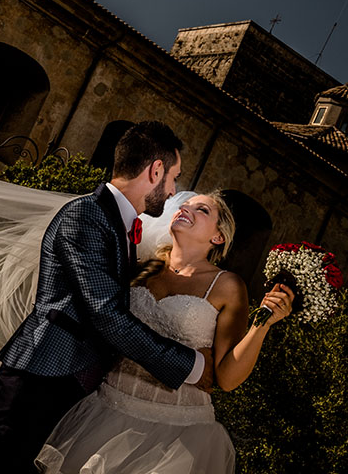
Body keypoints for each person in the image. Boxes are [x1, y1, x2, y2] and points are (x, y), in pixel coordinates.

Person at [0, 121, 216, 474]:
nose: (173, 191)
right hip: (41, 372)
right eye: (173, 177)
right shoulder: (87, 216)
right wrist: (189, 364)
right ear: (155, 170)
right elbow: (106, 313)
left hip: (66, 379)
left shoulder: (121, 225)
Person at [36, 191, 294, 473]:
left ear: (218, 237)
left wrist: (262, 325)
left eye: (202, 210)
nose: (187, 209)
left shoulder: (228, 286)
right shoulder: (141, 266)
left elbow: (228, 378)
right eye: (185, 205)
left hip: (177, 430)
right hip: (106, 408)